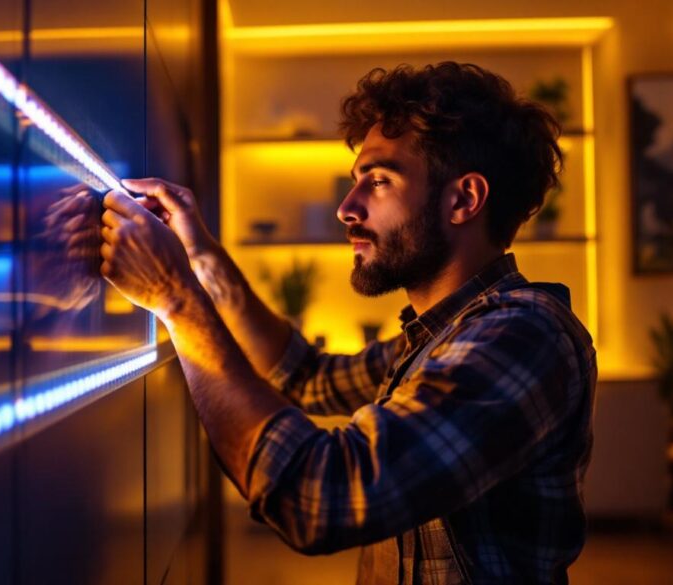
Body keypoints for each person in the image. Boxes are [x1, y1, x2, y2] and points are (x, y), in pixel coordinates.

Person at [99, 62, 597, 584]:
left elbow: (322, 498)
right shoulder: (437, 339)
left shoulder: (522, 335)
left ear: (463, 200)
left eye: (378, 180)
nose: (345, 208)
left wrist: (176, 298)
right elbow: (303, 376)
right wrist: (200, 258)